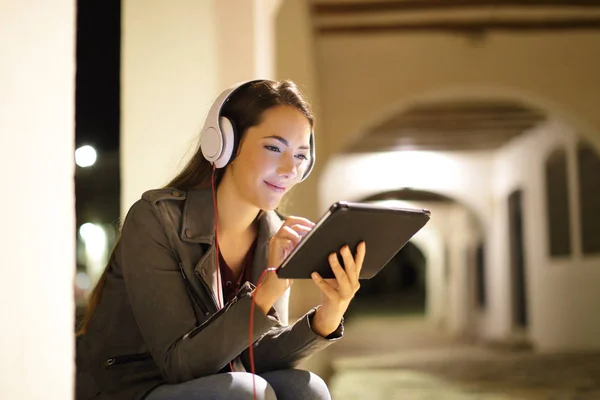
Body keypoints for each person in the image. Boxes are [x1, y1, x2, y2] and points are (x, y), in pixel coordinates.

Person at [75, 79, 367, 400]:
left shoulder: (272, 231)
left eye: (300, 155)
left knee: (305, 387)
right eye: (273, 147)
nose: (289, 168)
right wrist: (265, 292)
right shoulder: (156, 219)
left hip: (212, 385)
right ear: (223, 144)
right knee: (247, 392)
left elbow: (254, 357)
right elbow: (179, 364)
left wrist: (329, 314)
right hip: (130, 389)